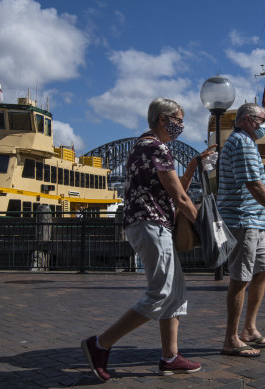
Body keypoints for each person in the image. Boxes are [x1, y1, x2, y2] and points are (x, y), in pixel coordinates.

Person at [81, 97, 216, 381]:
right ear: (162, 119)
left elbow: (175, 189)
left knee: (175, 293)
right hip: (151, 224)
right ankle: (100, 344)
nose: (182, 124)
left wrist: (193, 165)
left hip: (147, 224)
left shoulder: (143, 146)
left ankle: (170, 357)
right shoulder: (157, 147)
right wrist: (207, 227)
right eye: (178, 119)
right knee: (161, 293)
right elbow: (180, 197)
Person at [218, 103, 265, 357]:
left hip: (254, 221)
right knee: (240, 278)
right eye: (263, 120)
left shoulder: (245, 142)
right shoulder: (241, 142)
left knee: (264, 269)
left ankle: (249, 329)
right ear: (250, 120)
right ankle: (231, 339)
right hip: (243, 220)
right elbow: (254, 184)